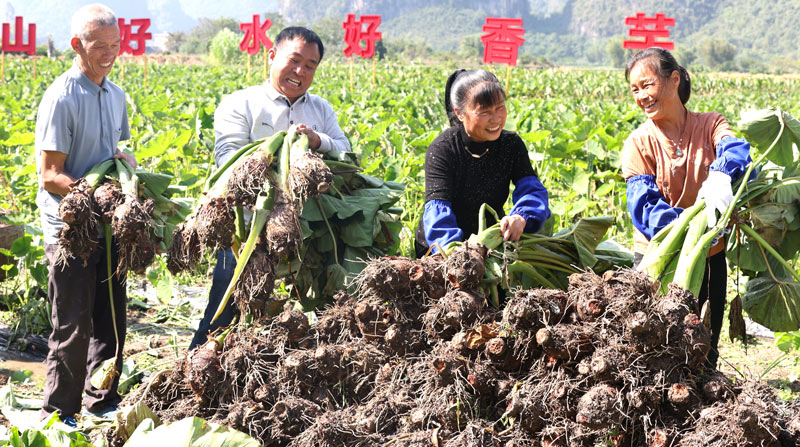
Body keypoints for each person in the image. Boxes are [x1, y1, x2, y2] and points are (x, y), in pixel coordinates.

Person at [190, 26, 351, 349]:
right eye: (294, 61)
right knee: (225, 306)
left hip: (308, 231)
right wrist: (276, 160)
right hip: (246, 230)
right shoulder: (241, 103)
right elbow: (228, 158)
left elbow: (346, 150)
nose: (300, 71)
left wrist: (316, 141)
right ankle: (198, 363)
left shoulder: (320, 109)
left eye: (310, 65)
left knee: (309, 312)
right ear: (272, 56)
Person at [35, 3, 136, 425]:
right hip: (71, 229)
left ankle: (102, 400)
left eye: (116, 44)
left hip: (107, 225)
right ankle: (59, 413)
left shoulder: (116, 95)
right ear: (77, 45)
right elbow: (50, 175)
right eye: (100, 46)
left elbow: (115, 151)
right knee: (72, 325)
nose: (110, 53)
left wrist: (126, 166)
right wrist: (93, 194)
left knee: (110, 319)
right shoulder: (63, 96)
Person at [621, 47, 751, 367]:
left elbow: (737, 150)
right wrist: (698, 222)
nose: (642, 96)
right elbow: (644, 208)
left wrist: (722, 173)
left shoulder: (710, 124)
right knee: (655, 351)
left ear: (674, 79)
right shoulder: (638, 142)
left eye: (647, 84)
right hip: (657, 259)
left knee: (703, 350)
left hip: (710, 257)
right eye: (634, 90)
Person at [414, 69, 550, 259]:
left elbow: (532, 190)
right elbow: (438, 214)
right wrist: (456, 254)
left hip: (491, 242)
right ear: (460, 113)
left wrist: (521, 216)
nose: (495, 119)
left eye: (500, 108)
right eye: (484, 112)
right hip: (442, 248)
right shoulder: (443, 149)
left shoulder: (511, 144)